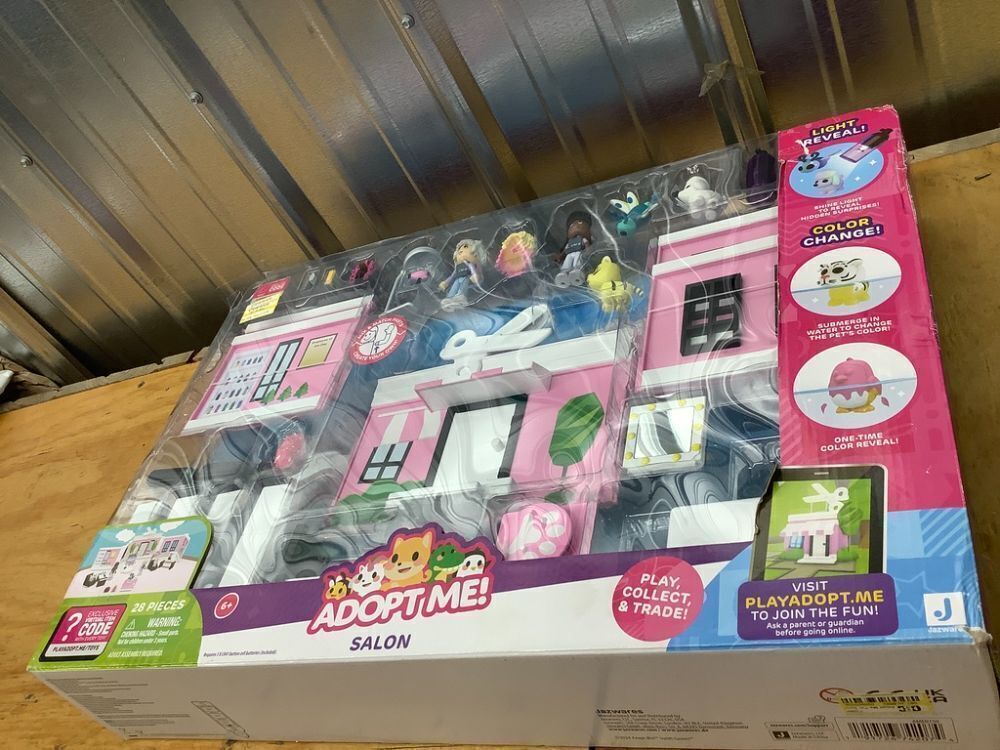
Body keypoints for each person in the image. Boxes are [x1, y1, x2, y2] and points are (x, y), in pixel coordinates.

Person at [439, 239, 486, 309]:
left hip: (469, 280)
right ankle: (450, 298)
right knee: (455, 284)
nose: (460, 251)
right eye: (459, 250)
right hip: (459, 278)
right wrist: (446, 282)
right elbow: (452, 276)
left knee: (464, 280)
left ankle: (461, 296)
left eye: (465, 247)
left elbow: (477, 272)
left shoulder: (472, 264)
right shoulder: (458, 267)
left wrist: (476, 276)